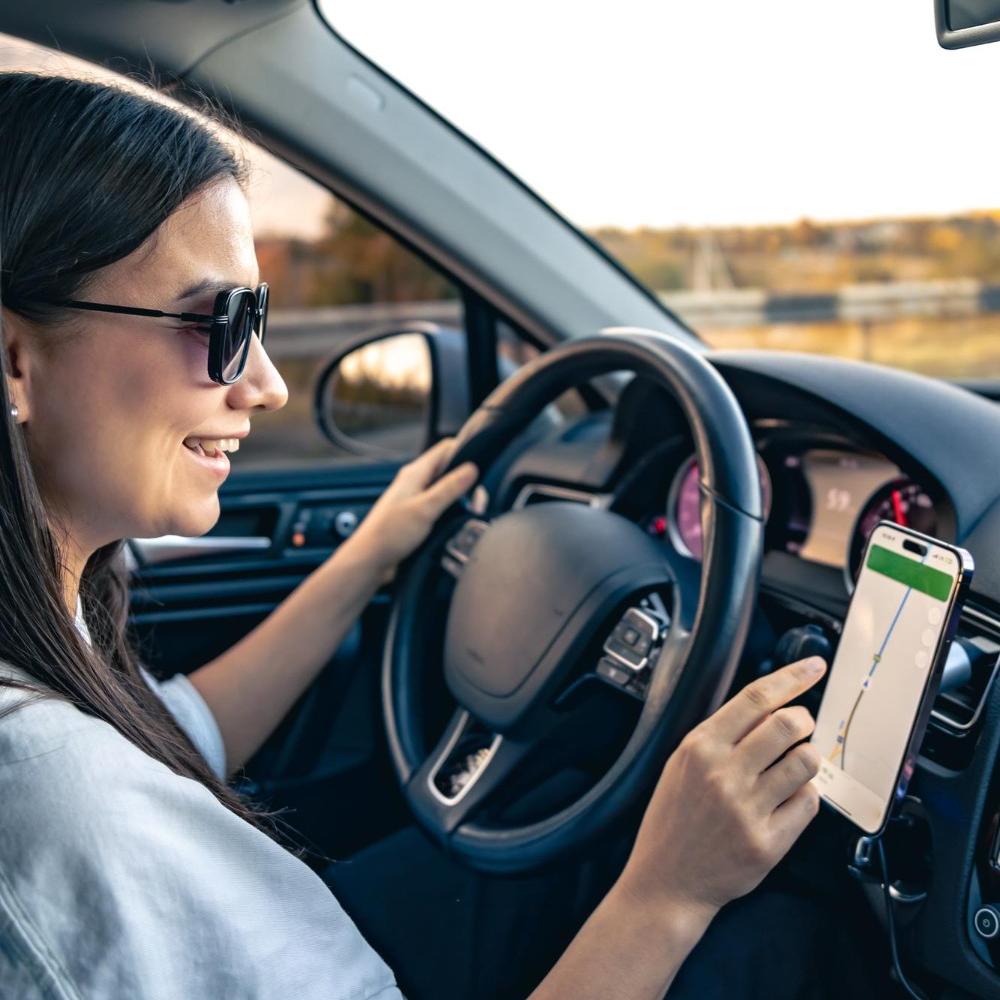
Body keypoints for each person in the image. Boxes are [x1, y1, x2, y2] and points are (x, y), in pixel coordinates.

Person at [0, 71, 895, 999]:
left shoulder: (47, 673)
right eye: (220, 321)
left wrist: (373, 550)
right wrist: (668, 895)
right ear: (16, 361)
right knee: (786, 942)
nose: (265, 385)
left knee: (552, 812)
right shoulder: (56, 802)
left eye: (257, 318)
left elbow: (177, 733)